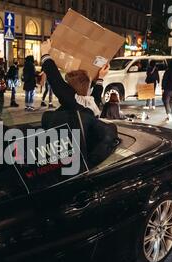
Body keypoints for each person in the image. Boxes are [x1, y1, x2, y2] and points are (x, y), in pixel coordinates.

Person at [39, 40, 118, 168]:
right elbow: (95, 97)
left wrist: (45, 54)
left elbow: (57, 82)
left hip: (70, 163)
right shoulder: (88, 107)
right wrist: (101, 78)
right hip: (84, 164)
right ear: (87, 88)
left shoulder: (78, 104)